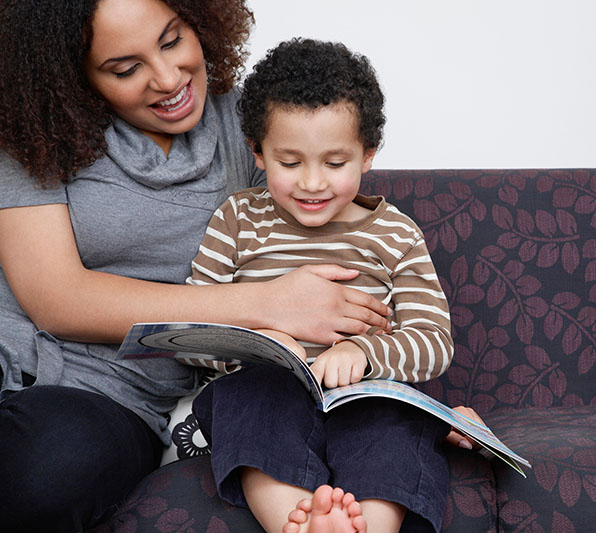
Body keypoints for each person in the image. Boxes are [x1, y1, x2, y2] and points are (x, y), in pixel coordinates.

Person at [0, 1, 393, 531]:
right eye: (125, 68)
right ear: (72, 74)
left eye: (171, 40)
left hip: (106, 398)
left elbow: (342, 271)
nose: (167, 79)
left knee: (45, 472)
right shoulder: (33, 132)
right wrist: (262, 303)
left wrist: (432, 410)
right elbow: (56, 298)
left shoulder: (255, 131)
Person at [186, 38, 456, 533]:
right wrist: (260, 341)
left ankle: (365, 527)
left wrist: (365, 354)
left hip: (365, 395)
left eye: (335, 163)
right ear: (258, 152)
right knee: (250, 402)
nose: (312, 183)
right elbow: (190, 331)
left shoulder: (395, 233)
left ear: (368, 154)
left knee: (395, 425)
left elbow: (434, 342)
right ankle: (299, 521)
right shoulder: (237, 220)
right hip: (266, 388)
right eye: (290, 163)